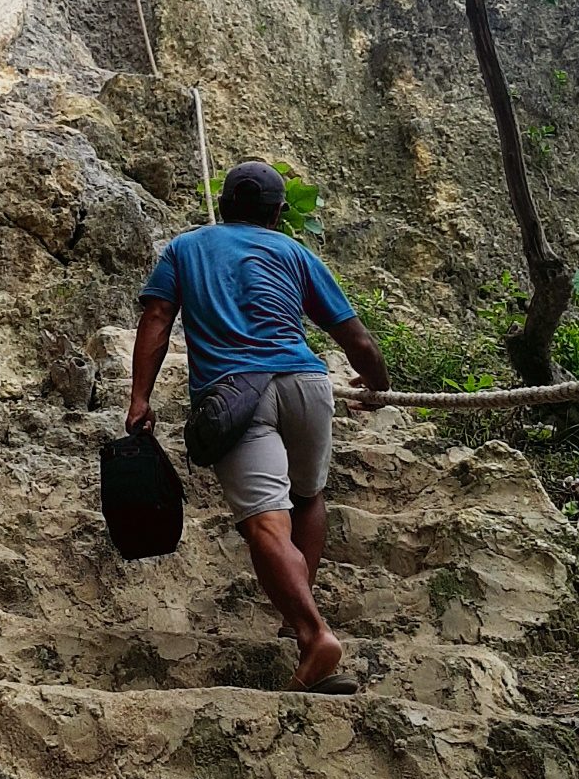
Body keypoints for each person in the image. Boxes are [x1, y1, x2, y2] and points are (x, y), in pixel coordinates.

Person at [126, 160, 390, 694]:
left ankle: (315, 633)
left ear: (222, 205)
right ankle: (300, 620)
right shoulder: (295, 252)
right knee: (309, 496)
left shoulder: (185, 247)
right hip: (306, 385)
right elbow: (353, 336)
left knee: (265, 525)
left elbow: (157, 317)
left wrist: (140, 398)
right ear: (276, 213)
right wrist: (375, 383)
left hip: (235, 395)